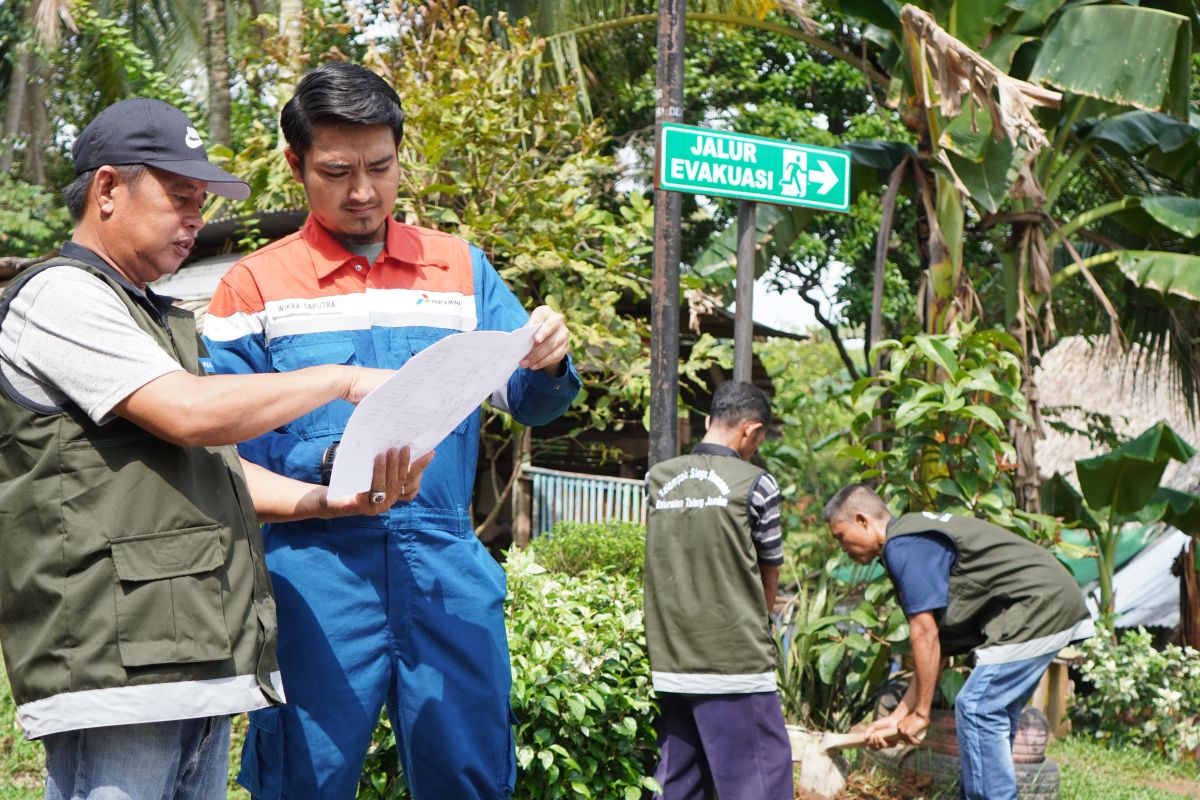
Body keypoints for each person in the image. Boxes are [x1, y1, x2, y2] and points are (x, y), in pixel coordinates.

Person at [0, 97, 433, 800]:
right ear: (108, 189)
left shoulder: (155, 317)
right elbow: (192, 414)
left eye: (201, 200)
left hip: (184, 658)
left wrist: (331, 500)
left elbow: (218, 469)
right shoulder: (60, 297)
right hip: (115, 668)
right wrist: (339, 378)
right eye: (178, 196)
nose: (195, 217)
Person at [202, 62, 579, 799]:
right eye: (337, 171)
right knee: (303, 776)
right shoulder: (250, 290)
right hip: (313, 568)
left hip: (444, 560)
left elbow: (530, 401)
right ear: (295, 164)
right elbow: (219, 451)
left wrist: (548, 360)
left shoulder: (461, 270)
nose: (364, 191)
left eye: (381, 166)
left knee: (470, 772)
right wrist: (323, 466)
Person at [822, 484, 1095, 800]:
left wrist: (922, 715)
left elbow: (924, 634)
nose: (842, 548)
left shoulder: (905, 545)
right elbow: (935, 647)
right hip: (1045, 603)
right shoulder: (910, 539)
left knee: (977, 708)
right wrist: (899, 717)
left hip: (1037, 606)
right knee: (990, 716)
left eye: (840, 537)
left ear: (862, 520)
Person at [642, 381, 793, 800]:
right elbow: (769, 575)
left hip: (672, 661)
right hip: (735, 665)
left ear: (708, 421)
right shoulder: (757, 484)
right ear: (751, 431)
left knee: (676, 785)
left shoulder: (656, 480)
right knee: (760, 785)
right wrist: (762, 631)